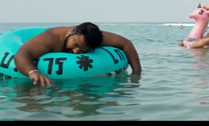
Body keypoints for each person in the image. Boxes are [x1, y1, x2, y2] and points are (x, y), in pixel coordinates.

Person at [14, 22, 142, 85]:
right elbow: (21, 54)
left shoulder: (96, 38)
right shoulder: (50, 39)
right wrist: (33, 72)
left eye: (82, 51)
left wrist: (136, 74)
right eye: (75, 45)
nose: (75, 52)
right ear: (73, 31)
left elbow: (126, 44)